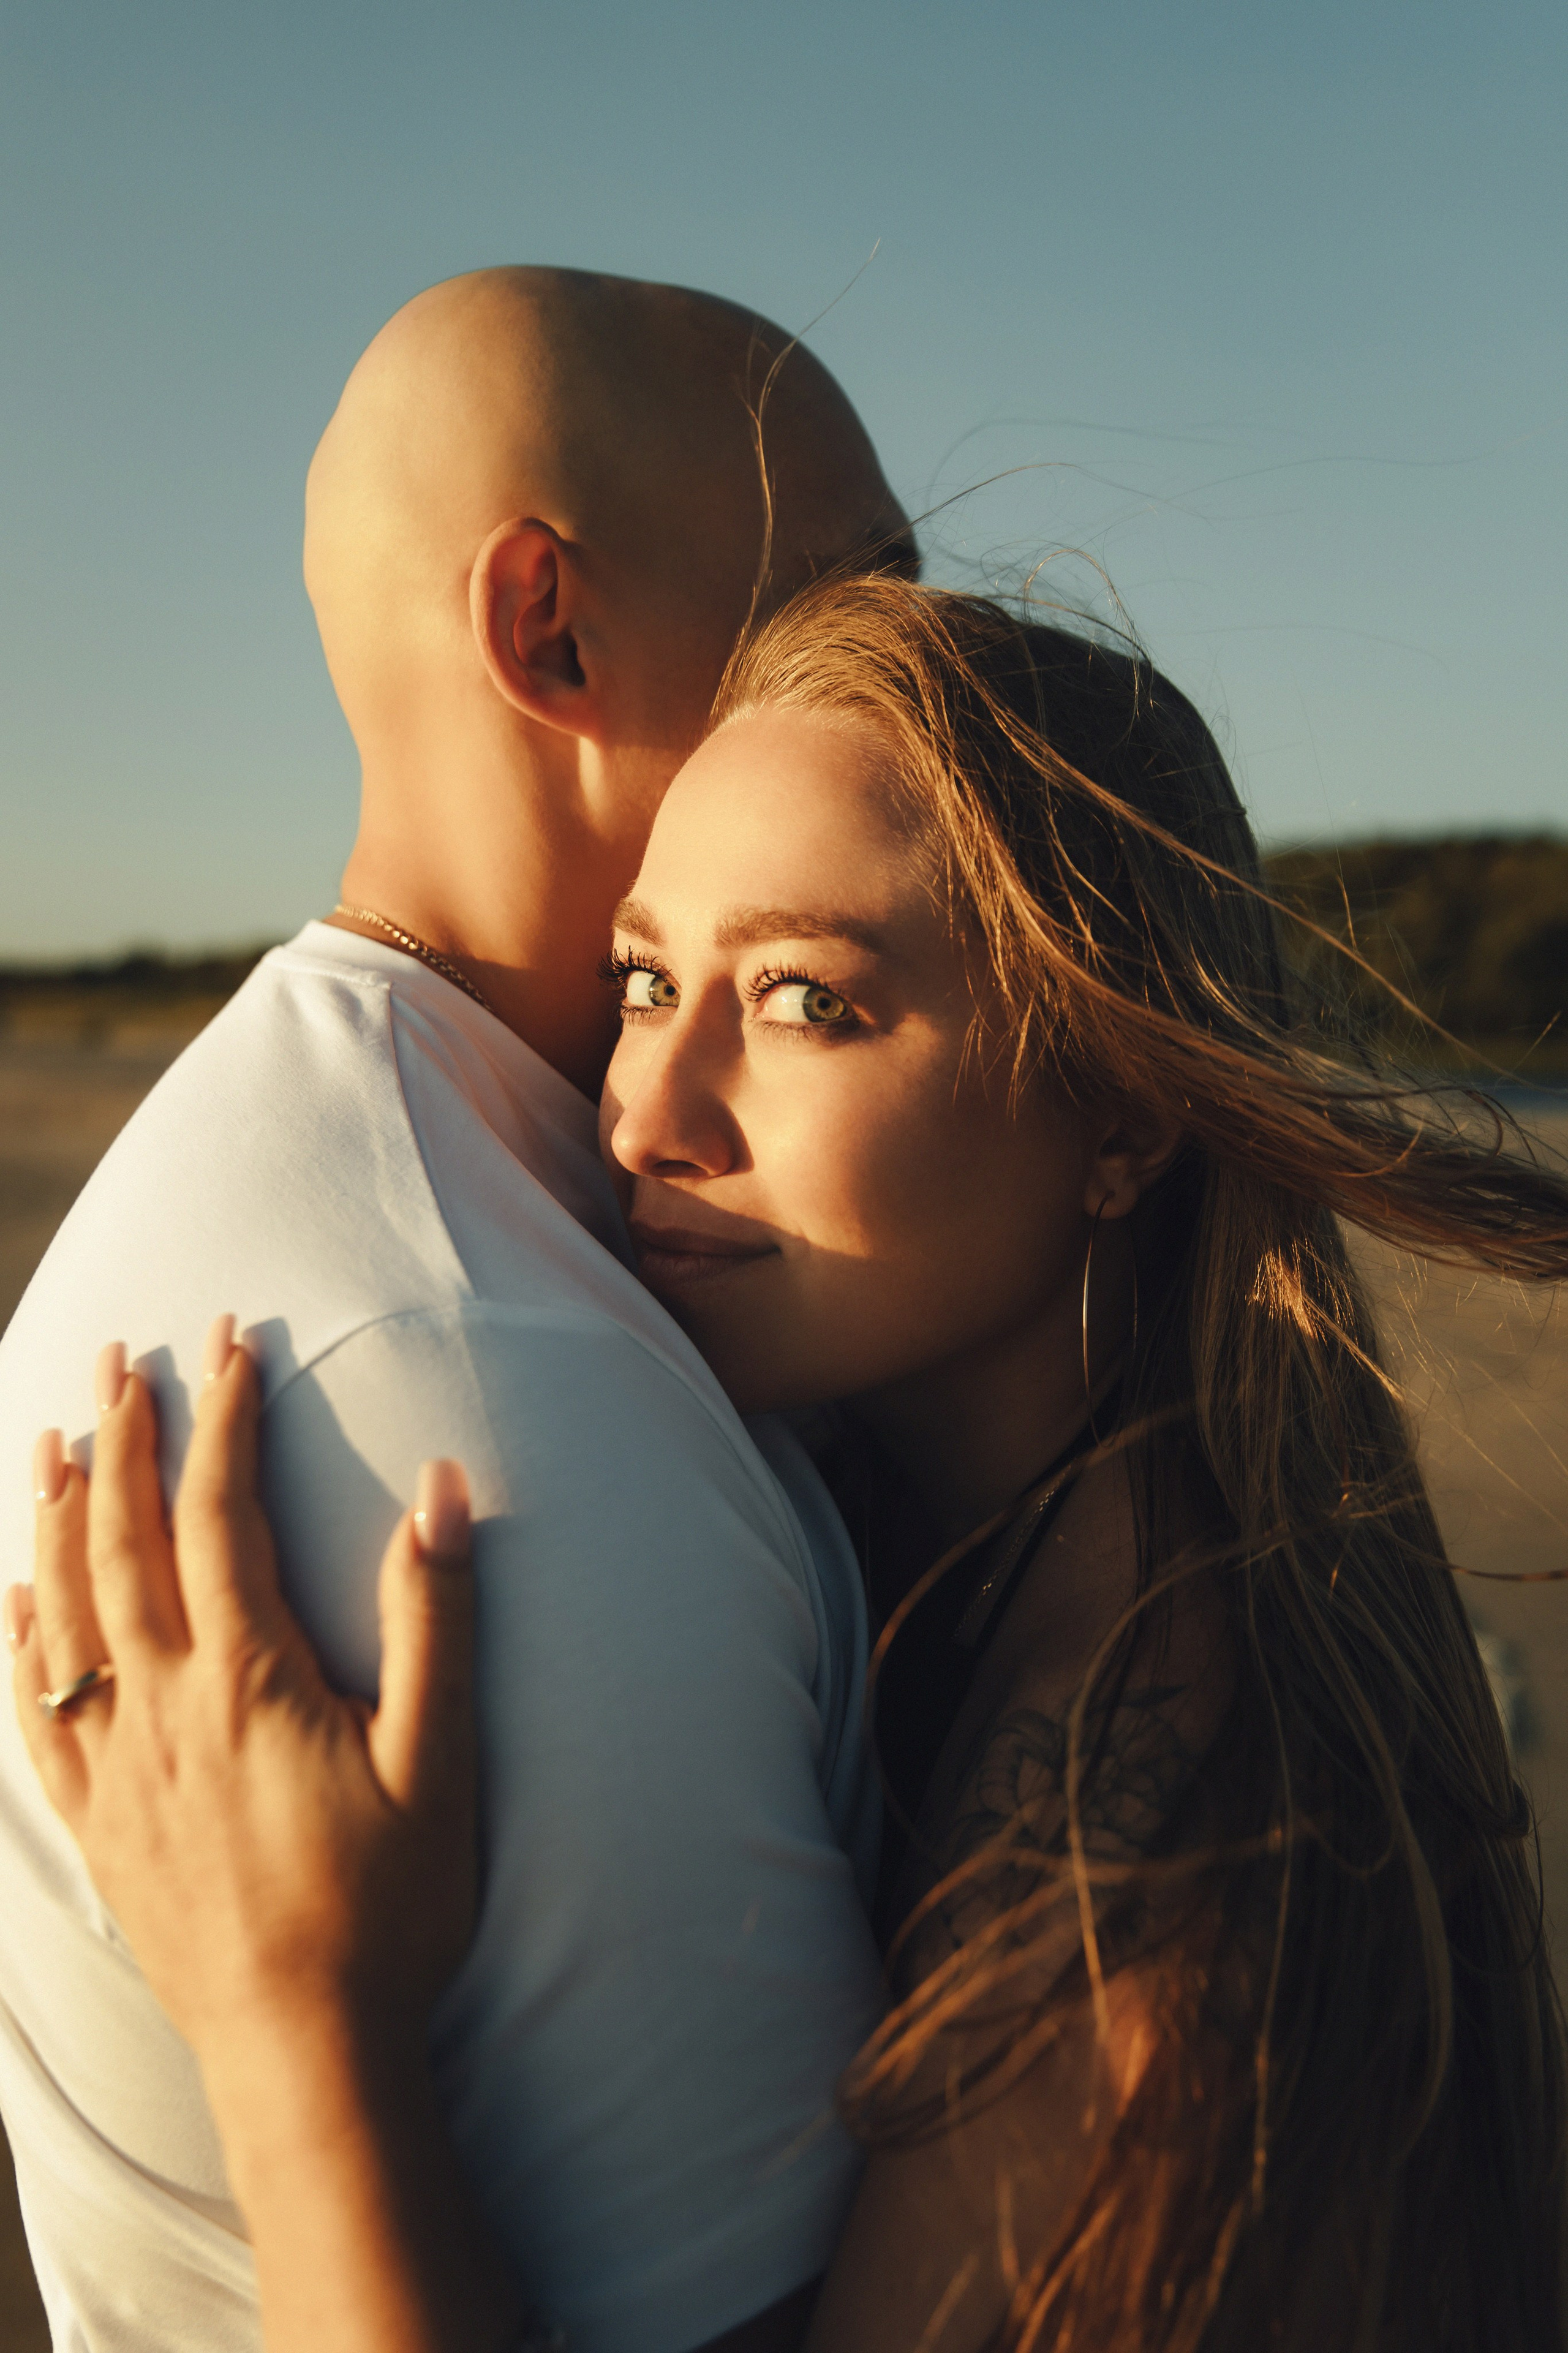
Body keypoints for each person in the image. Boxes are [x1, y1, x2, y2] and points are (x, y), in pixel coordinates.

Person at [13, 575, 1567, 2352]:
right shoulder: (943, 1532)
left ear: (1124, 1112)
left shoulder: (1124, 1882)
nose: (645, 1114)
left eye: (809, 1000)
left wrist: (298, 2023)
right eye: (648, 979)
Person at [0, 268, 919, 2353]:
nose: (918, 679)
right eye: (856, 604)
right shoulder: (481, 1408)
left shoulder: (322, 1179)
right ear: (552, 631)